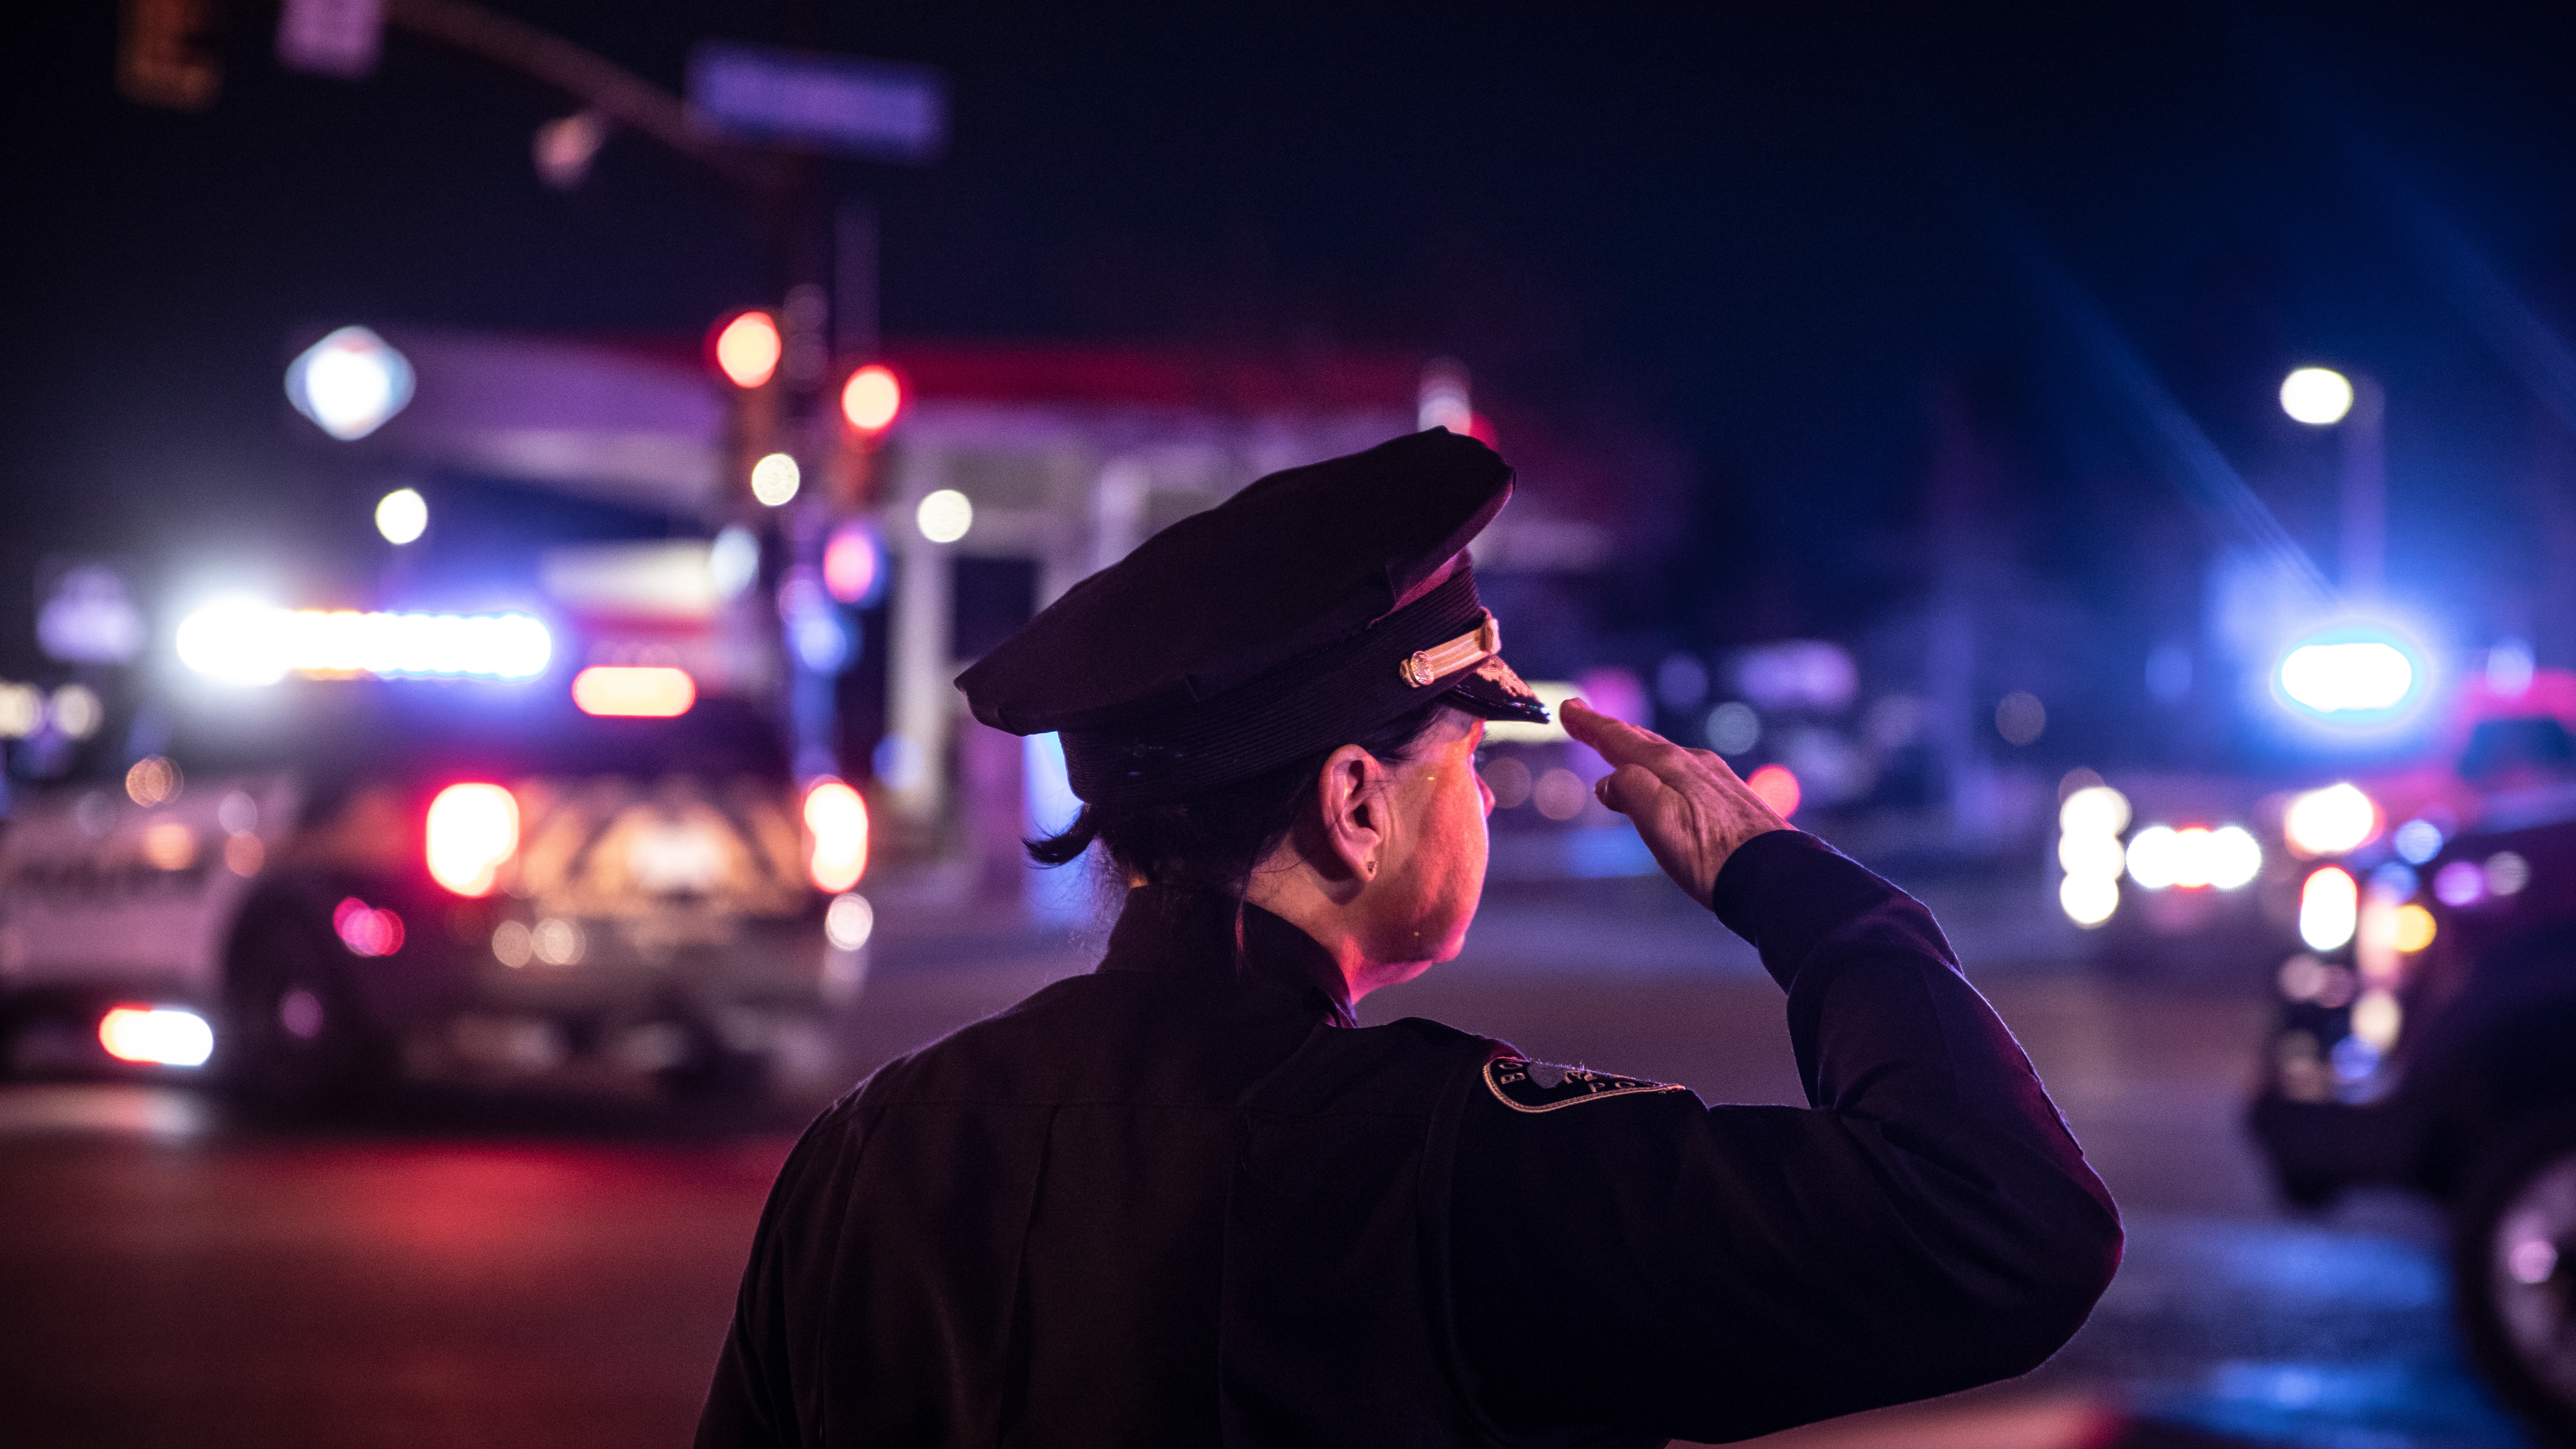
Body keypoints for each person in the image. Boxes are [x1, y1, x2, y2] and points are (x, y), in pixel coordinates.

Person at [696, 429, 2121, 1447]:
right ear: (1355, 803)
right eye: (1468, 759)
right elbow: (2009, 1224)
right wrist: (1794, 890)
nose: (1486, 802)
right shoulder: (1456, 1175)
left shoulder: (866, 1158)